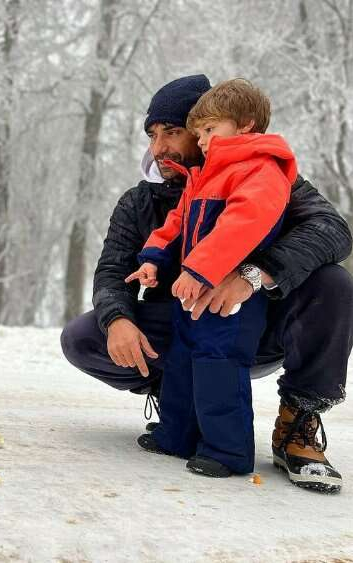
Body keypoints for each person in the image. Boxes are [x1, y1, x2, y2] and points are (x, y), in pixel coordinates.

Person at [60, 74, 353, 493]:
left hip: (253, 324)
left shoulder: (265, 175)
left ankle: (297, 423)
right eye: (152, 135)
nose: (159, 147)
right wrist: (118, 318)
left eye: (174, 132)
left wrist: (251, 276)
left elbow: (332, 230)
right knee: (86, 335)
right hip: (180, 327)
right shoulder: (141, 201)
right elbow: (112, 271)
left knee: (334, 284)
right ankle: (180, 410)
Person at [125, 78, 295, 479]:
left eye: (209, 130)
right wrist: (152, 257)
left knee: (218, 365)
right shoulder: (205, 176)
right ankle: (175, 435)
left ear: (246, 125)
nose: (201, 140)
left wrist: (200, 270)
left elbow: (241, 225)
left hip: (229, 298)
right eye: (198, 132)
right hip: (191, 296)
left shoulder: (260, 170)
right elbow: (176, 223)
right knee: (183, 362)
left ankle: (227, 451)